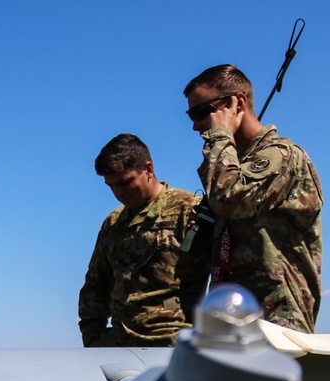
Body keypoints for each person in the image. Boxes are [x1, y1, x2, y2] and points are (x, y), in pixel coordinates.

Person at [184, 64, 323, 333]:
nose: (195, 125)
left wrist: (220, 135)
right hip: (233, 316)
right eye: (191, 114)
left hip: (277, 320)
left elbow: (229, 198)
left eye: (201, 112)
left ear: (237, 102)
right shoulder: (233, 164)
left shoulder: (281, 156)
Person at [78, 134, 209, 347]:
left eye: (125, 182)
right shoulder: (113, 223)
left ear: (148, 169)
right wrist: (92, 338)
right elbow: (96, 285)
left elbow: (227, 279)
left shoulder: (191, 210)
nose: (119, 192)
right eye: (111, 185)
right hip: (119, 345)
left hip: (175, 344)